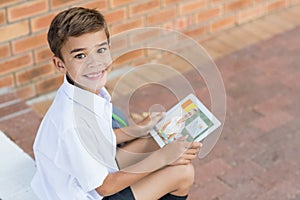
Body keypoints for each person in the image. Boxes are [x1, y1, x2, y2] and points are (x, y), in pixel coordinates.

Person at [31, 7, 201, 200]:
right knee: (182, 173)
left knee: (155, 140)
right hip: (91, 193)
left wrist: (140, 129)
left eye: (101, 50)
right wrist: (163, 158)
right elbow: (103, 188)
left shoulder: (84, 92)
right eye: (80, 56)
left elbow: (97, 138)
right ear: (60, 64)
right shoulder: (71, 122)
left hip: (93, 173)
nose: (94, 62)